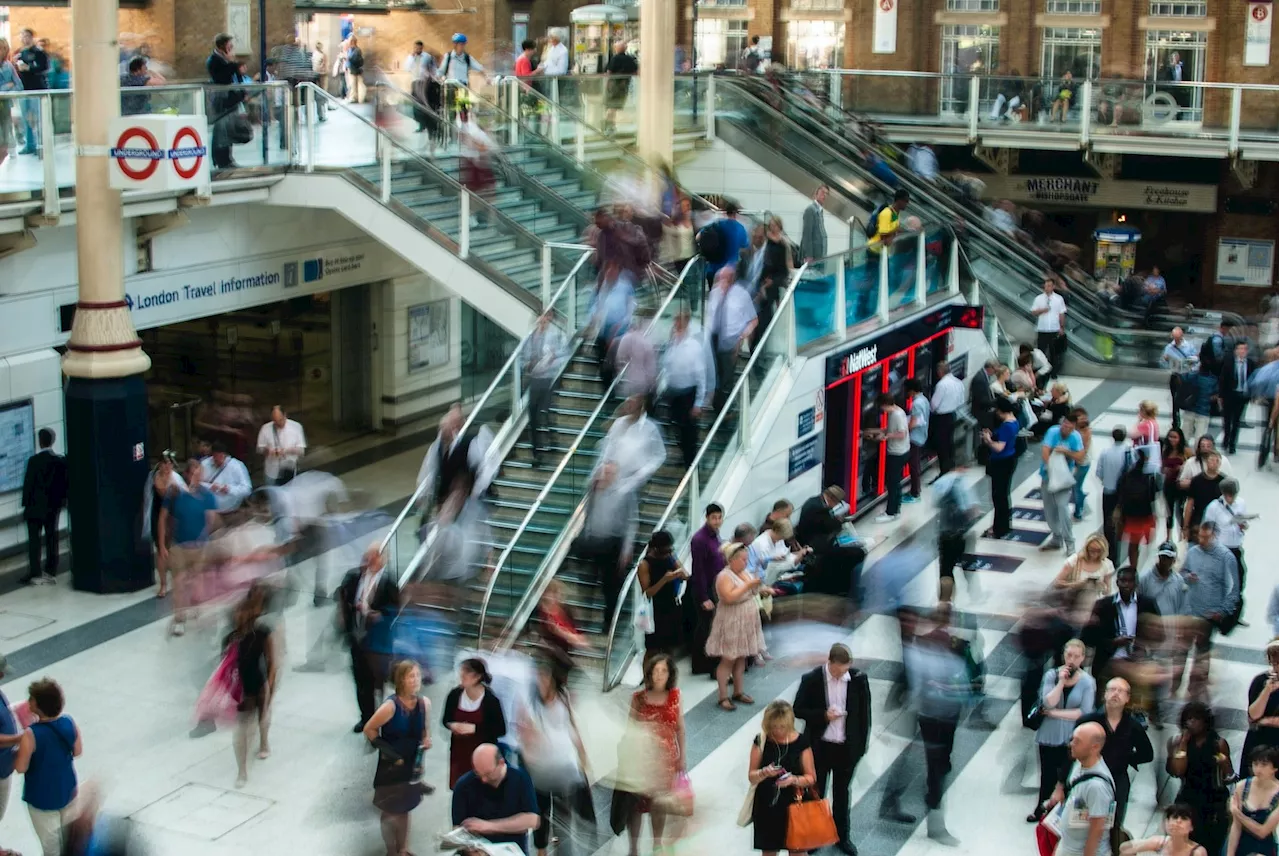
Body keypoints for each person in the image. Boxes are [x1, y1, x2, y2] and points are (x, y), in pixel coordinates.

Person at [794, 644, 869, 855]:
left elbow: (864, 716)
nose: (842, 673)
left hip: (846, 748)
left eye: (846, 669)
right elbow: (798, 709)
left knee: (842, 793)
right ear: (830, 662)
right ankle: (814, 836)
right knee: (816, 792)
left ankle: (842, 836)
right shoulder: (812, 679)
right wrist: (823, 716)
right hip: (820, 747)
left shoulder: (858, 680)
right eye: (839, 669)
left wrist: (860, 748)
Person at [1070, 678, 1154, 851]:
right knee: (1081, 821)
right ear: (1105, 694)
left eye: (1121, 691)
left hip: (1117, 779)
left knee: (1113, 824)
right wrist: (1060, 785)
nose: (1116, 693)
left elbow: (1147, 754)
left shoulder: (1132, 726)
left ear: (1127, 698)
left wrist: (1128, 757)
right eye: (1112, 689)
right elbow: (1070, 752)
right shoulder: (1089, 720)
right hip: (1088, 776)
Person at [617, 653, 687, 856]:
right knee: (635, 805)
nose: (659, 675)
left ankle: (657, 844)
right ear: (649, 673)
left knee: (659, 803)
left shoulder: (675, 696)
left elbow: (680, 729)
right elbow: (629, 728)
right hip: (641, 759)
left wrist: (682, 757)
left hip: (665, 760)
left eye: (663, 671)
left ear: (670, 674)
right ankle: (634, 848)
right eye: (655, 671)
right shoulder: (638, 698)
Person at [520, 660, 588, 856]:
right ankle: (541, 849)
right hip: (539, 770)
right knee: (540, 812)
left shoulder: (563, 698)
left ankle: (563, 850)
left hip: (563, 767)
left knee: (563, 815)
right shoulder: (529, 703)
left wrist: (583, 760)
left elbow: (573, 727)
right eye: (538, 677)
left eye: (544, 676)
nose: (541, 681)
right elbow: (524, 733)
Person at [364, 660, 431, 856]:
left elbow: (425, 731)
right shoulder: (390, 706)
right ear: (401, 679)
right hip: (391, 768)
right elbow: (370, 729)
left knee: (405, 809)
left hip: (411, 766)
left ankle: (403, 848)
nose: (416, 680)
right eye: (411, 676)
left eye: (418, 675)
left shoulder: (424, 704)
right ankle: (391, 851)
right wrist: (390, 753)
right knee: (390, 811)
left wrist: (427, 740)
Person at [1030, 639, 1096, 823]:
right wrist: (1060, 683)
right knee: (1047, 774)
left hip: (1071, 737)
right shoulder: (1052, 675)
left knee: (1066, 777)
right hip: (1048, 734)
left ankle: (1061, 813)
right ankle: (1041, 809)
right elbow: (1048, 701)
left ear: (1082, 658)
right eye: (1069, 655)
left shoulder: (1087, 682)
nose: (1071, 660)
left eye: (1076, 656)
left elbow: (1084, 712)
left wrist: (1054, 713)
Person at [339, 544, 401, 733]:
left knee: (378, 682)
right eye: (368, 556)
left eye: (374, 556)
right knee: (360, 680)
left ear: (383, 558)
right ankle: (365, 717)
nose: (370, 560)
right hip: (357, 637)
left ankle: (380, 718)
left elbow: (395, 612)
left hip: (377, 642)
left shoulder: (389, 583)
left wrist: (378, 615)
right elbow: (344, 599)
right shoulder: (354, 577)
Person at [15, 678, 80, 856]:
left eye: (31, 698)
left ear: (37, 704)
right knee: (72, 844)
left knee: (52, 848)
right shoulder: (69, 722)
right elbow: (78, 750)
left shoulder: (31, 734)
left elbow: (21, 767)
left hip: (42, 798)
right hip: (67, 790)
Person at [1176, 522, 1240, 700]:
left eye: (1206, 537)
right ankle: (1175, 685)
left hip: (1209, 615)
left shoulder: (1226, 557)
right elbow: (1181, 573)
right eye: (1200, 536)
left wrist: (1223, 611)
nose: (1201, 540)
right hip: (1190, 612)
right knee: (1181, 650)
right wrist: (1188, 577)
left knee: (1201, 654)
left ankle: (1195, 689)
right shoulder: (1193, 552)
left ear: (1215, 536)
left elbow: (1234, 589)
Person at [158, 457, 220, 636]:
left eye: (199, 474)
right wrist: (162, 545)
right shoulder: (175, 493)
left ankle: (194, 605)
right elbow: (162, 518)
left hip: (200, 547)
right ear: (186, 474)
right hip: (179, 546)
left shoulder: (207, 495)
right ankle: (179, 619)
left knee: (197, 583)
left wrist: (207, 540)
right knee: (179, 583)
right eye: (193, 473)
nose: (196, 477)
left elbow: (211, 519)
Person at [747, 700, 817, 856]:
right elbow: (751, 776)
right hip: (767, 805)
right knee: (769, 850)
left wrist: (793, 779)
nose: (777, 731)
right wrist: (764, 772)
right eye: (773, 727)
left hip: (795, 803)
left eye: (782, 727)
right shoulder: (761, 741)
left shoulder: (801, 742)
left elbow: (811, 777)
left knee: (798, 850)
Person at [227, 582, 278, 788]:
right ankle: (242, 770)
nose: (241, 616)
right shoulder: (231, 638)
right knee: (241, 729)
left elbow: (272, 662)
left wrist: (271, 685)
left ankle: (264, 740)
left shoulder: (263, 632)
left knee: (262, 716)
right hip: (241, 687)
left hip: (258, 682)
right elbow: (226, 667)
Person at [1168, 701, 1233, 856]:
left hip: (1213, 800)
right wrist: (1183, 743)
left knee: (1210, 845)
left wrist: (1223, 763)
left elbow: (1228, 774)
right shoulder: (1177, 742)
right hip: (1189, 796)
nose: (1192, 723)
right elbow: (1177, 770)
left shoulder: (1218, 743)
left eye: (1196, 719)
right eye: (1188, 719)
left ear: (1205, 721)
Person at [1082, 568, 1160, 696]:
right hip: (1109, 662)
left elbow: (1158, 633)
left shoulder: (1147, 604)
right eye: (1123, 581)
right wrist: (1112, 642)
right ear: (1117, 582)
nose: (1126, 585)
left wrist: (1142, 646)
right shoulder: (1103, 605)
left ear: (1136, 583)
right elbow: (1088, 637)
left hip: (1137, 663)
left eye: (1130, 581)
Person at [451, 743, 540, 854]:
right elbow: (457, 828)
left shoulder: (520, 778)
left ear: (501, 763)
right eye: (478, 773)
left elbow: (532, 820)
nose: (483, 779)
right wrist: (469, 849)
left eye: (488, 774)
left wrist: (488, 826)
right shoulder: (463, 785)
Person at [708, 542, 765, 711]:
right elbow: (728, 597)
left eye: (747, 559)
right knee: (728, 658)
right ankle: (723, 696)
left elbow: (752, 590)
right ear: (731, 560)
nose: (745, 563)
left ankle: (738, 691)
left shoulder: (744, 572)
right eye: (742, 559)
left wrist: (760, 587)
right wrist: (748, 586)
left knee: (741, 656)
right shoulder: (724, 576)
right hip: (731, 619)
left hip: (746, 617)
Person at [1043, 721, 1113, 856]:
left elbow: (1097, 829)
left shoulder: (1097, 787)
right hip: (1068, 847)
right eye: (1072, 739)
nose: (1071, 744)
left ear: (1095, 747)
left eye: (1077, 741)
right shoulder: (1078, 764)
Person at [416, 403, 497, 520]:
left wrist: (476, 493)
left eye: (446, 429)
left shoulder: (471, 441)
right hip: (447, 497)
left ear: (455, 428)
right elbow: (429, 469)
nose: (442, 433)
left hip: (465, 497)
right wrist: (422, 495)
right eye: (441, 429)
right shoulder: (438, 446)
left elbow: (484, 468)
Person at [443, 659, 507, 791]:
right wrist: (452, 726)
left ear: (477, 677)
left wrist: (475, 729)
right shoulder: (455, 695)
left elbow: (501, 729)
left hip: (483, 756)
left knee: (481, 789)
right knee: (461, 788)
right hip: (459, 753)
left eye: (467, 673)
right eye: (462, 672)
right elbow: (446, 719)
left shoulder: (490, 700)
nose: (462, 676)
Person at [661, 308, 711, 470]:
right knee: (677, 427)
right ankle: (684, 456)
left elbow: (701, 376)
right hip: (674, 392)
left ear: (686, 322)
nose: (676, 324)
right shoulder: (673, 343)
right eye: (675, 320)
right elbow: (666, 364)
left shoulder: (694, 346)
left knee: (689, 432)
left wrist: (698, 403)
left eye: (679, 320)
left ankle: (691, 463)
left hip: (688, 394)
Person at [706, 265, 758, 410]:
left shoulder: (742, 295)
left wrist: (741, 337)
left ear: (732, 279)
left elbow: (753, 320)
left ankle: (724, 409)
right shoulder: (714, 293)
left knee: (726, 377)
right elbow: (710, 316)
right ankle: (718, 406)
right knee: (715, 374)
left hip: (732, 340)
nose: (721, 281)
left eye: (725, 278)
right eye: (720, 278)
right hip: (714, 338)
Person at [21, 427, 68, 586]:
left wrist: (25, 505)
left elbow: (28, 485)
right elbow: (63, 486)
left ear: (40, 441)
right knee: (51, 537)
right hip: (52, 508)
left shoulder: (34, 461)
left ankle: (35, 571)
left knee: (34, 541)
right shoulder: (59, 462)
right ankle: (51, 569)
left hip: (35, 508)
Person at [521, 311, 568, 466]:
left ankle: (551, 438)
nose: (542, 323)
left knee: (546, 411)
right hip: (535, 379)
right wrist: (529, 365)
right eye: (540, 320)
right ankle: (537, 453)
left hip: (549, 378)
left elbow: (564, 353)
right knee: (533, 414)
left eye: (545, 320)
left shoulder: (555, 335)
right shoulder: (530, 337)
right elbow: (523, 358)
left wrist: (551, 361)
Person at [1041, 413, 1087, 554]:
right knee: (1049, 510)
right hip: (1048, 476)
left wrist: (1066, 452)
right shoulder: (1053, 432)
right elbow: (1045, 451)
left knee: (1063, 508)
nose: (1066, 428)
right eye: (1064, 424)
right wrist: (1051, 467)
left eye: (1069, 426)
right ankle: (1056, 537)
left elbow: (1080, 457)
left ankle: (1069, 542)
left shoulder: (1075, 437)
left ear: (1073, 427)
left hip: (1064, 478)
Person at [638, 530, 688, 655]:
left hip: (670, 605)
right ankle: (648, 674)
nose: (668, 553)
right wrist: (664, 579)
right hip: (655, 610)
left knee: (670, 646)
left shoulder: (670, 557)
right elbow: (648, 593)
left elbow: (685, 574)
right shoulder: (645, 564)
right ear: (656, 548)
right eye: (665, 550)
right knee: (652, 649)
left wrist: (680, 573)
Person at [866, 393, 910, 523]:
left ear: (884, 405)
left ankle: (891, 512)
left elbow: (901, 433)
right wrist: (876, 431)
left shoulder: (896, 415)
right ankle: (895, 510)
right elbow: (890, 429)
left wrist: (886, 437)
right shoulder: (898, 411)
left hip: (897, 453)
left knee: (892, 484)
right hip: (902, 451)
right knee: (896, 483)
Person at [1227, 746, 1280, 856]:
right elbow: (1236, 827)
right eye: (1255, 764)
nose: (1258, 769)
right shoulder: (1241, 786)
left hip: (1265, 848)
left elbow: (1263, 832)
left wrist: (1237, 813)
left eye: (1264, 765)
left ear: (1275, 768)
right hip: (1242, 845)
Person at [1053, 534, 1116, 625]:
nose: (1094, 554)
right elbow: (1057, 583)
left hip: (1094, 607)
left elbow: (1108, 591)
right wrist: (1076, 585)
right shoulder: (1074, 560)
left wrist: (1102, 587)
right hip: (1073, 604)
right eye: (1091, 550)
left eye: (1098, 551)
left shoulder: (1107, 565)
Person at [980, 398, 1021, 539]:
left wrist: (988, 440)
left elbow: (999, 447)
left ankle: (999, 528)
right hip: (1009, 460)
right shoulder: (1014, 421)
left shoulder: (1006, 427)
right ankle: (1003, 525)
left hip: (1002, 463)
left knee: (998, 496)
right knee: (1003, 495)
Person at [1203, 477, 1249, 594]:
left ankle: (1236, 597)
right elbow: (1206, 527)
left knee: (1240, 573)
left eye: (1234, 495)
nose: (1231, 498)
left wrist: (1243, 525)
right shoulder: (1214, 507)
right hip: (1221, 549)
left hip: (1236, 547)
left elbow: (1245, 523)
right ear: (1223, 493)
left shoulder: (1241, 503)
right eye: (1229, 495)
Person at [1117, 448, 1160, 571]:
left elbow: (1121, 493)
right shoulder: (1150, 476)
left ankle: (1133, 568)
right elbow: (1154, 496)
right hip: (1146, 515)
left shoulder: (1127, 474)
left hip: (1131, 516)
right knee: (1148, 543)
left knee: (1133, 544)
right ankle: (1144, 568)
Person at [1120, 804, 1208, 856]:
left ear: (1191, 827)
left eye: (1184, 818)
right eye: (1174, 817)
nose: (1178, 821)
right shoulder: (1160, 842)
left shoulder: (1197, 852)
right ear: (1166, 823)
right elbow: (1124, 848)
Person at [930, 360, 966, 476]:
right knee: (949, 442)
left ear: (940, 371)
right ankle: (951, 467)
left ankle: (944, 471)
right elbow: (961, 400)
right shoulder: (958, 382)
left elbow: (934, 404)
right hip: (952, 415)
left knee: (942, 445)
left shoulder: (942, 385)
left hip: (941, 418)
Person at [1221, 341, 1256, 455]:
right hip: (1229, 395)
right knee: (1227, 420)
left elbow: (1253, 380)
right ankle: (1226, 439)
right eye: (1240, 349)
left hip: (1242, 395)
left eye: (1244, 349)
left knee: (1236, 421)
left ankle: (1232, 444)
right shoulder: (1229, 362)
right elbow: (1223, 379)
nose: (1242, 351)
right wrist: (1221, 395)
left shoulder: (1250, 363)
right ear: (1236, 351)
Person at [256, 405, 306, 487]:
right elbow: (259, 449)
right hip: (271, 470)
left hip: (289, 469)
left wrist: (287, 451)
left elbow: (301, 451)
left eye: (280, 420)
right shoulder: (265, 428)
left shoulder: (296, 427)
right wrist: (268, 451)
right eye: (275, 421)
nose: (278, 423)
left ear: (285, 415)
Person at [15, 29, 46, 156]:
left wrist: (30, 68)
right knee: (25, 119)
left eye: (27, 36)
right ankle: (30, 145)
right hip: (24, 89)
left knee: (38, 118)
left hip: (36, 88)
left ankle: (41, 145)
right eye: (22, 36)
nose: (24, 38)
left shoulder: (39, 52)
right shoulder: (20, 53)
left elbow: (44, 67)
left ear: (32, 37)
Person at [200, 441, 252, 513]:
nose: (218, 460)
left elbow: (247, 489)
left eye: (221, 456)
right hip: (208, 508)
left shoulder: (237, 465)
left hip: (229, 508)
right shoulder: (205, 464)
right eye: (215, 457)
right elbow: (196, 483)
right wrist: (209, 486)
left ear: (225, 455)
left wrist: (229, 489)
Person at [1182, 452, 1225, 538]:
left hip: (1217, 522)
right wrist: (1185, 526)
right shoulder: (1196, 480)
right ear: (1206, 462)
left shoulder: (1224, 481)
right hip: (1198, 520)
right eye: (1212, 460)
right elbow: (1190, 503)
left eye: (1217, 461)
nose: (1214, 462)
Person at [1032, 277, 1068, 379]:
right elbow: (1033, 312)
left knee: (1054, 353)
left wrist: (1061, 327)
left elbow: (1061, 313)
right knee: (1040, 352)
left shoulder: (1059, 299)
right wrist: (1042, 310)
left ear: (1053, 287)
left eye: (1049, 286)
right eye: (1046, 286)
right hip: (1042, 329)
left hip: (1054, 329)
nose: (1047, 288)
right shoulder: (1038, 298)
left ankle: (1053, 373)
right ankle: (1040, 371)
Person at [1161, 428, 1192, 541]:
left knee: (1181, 511)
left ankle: (1182, 536)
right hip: (1169, 485)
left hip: (1180, 486)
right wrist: (1164, 470)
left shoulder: (1186, 451)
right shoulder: (1166, 451)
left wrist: (1182, 468)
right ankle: (1168, 538)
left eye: (1175, 437)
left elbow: (1192, 464)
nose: (1172, 440)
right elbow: (1161, 466)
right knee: (1168, 512)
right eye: (1170, 437)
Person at [904, 379, 931, 503]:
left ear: (912, 390)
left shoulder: (916, 404)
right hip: (922, 436)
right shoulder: (924, 400)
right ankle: (915, 491)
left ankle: (915, 493)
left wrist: (904, 429)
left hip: (915, 438)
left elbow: (914, 422)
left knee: (914, 466)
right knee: (915, 465)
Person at [1179, 362, 1219, 444]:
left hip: (1190, 408)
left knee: (1185, 435)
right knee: (1200, 437)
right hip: (1204, 411)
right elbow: (1215, 395)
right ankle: (1198, 454)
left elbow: (1179, 378)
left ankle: (1183, 452)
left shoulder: (1191, 376)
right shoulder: (1213, 380)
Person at [603, 41, 637, 134]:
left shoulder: (615, 58)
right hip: (625, 85)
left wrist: (606, 83)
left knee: (610, 106)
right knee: (617, 106)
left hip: (614, 85)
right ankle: (612, 126)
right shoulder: (630, 59)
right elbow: (635, 72)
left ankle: (609, 126)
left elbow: (609, 72)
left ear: (617, 49)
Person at [800, 185, 829, 264]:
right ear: (816, 194)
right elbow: (807, 234)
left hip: (820, 255)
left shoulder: (819, 211)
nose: (825, 196)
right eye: (823, 192)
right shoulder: (810, 210)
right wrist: (808, 255)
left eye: (826, 194)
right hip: (813, 257)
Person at [345, 37, 365, 103]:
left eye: (349, 41)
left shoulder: (356, 50)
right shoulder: (351, 49)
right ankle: (354, 97)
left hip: (355, 69)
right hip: (351, 69)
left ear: (352, 42)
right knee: (352, 84)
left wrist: (347, 58)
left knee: (354, 84)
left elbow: (352, 59)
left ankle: (355, 98)